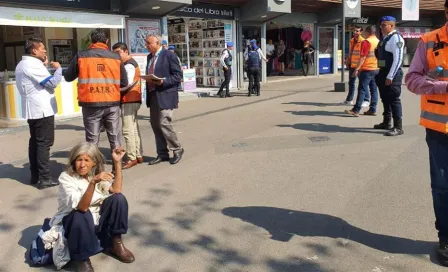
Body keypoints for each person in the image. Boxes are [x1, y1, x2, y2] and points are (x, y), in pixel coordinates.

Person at [405, 1, 448, 265]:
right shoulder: (429, 41)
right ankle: (446, 237)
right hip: (439, 130)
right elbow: (412, 80)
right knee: (443, 187)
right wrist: (443, 85)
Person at [48, 142, 134, 271]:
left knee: (118, 199)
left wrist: (117, 162)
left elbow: (116, 189)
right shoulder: (66, 178)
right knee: (81, 214)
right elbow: (82, 207)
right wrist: (93, 183)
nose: (82, 164)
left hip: (94, 220)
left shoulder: (94, 174)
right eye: (79, 160)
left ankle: (116, 243)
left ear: (93, 162)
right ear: (73, 161)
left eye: (86, 160)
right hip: (75, 224)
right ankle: (81, 259)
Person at [64, 28, 128, 154]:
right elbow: (124, 82)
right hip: (112, 103)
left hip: (91, 103)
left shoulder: (81, 55)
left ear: (91, 41)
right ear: (107, 41)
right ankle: (117, 169)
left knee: (92, 140)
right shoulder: (116, 57)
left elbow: (68, 77)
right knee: (115, 138)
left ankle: (93, 171)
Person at [15, 38, 62, 189]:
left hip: (34, 109)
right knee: (44, 143)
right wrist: (58, 69)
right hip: (41, 110)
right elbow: (52, 83)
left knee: (35, 142)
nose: (45, 51)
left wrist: (45, 66)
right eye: (43, 49)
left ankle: (35, 175)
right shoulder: (32, 65)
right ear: (34, 51)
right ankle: (45, 178)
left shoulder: (24, 64)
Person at [145, 34, 184, 165]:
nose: (147, 46)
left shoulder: (169, 55)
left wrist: (164, 81)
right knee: (156, 125)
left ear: (157, 43)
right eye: (146, 43)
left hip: (166, 94)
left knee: (164, 123)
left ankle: (177, 149)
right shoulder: (149, 57)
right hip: (153, 95)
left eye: (149, 43)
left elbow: (178, 75)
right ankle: (162, 154)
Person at [112, 42, 144, 170]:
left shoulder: (129, 64)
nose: (117, 55)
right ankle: (138, 154)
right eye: (114, 52)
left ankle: (131, 157)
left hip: (129, 99)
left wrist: (115, 89)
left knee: (128, 129)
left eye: (119, 52)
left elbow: (127, 83)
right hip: (132, 99)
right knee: (134, 128)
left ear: (125, 51)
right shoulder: (128, 63)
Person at [373, 16, 405, 136]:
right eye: (381, 25)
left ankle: (398, 126)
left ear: (392, 25)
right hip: (383, 72)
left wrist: (390, 76)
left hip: (392, 74)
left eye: (384, 25)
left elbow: (398, 59)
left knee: (394, 100)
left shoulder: (395, 38)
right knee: (385, 99)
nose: (381, 27)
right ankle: (387, 121)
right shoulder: (385, 38)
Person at [344, 25, 380, 117]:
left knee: (362, 89)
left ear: (367, 32)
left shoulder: (366, 42)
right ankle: (373, 109)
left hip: (367, 69)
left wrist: (357, 68)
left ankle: (356, 110)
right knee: (374, 89)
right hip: (375, 68)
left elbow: (363, 57)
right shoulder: (378, 41)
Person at [343, 26, 365, 105]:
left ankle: (366, 99)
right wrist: (347, 60)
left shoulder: (363, 41)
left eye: (357, 31)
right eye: (354, 31)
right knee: (351, 83)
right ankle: (349, 100)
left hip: (360, 66)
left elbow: (363, 55)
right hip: (352, 65)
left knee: (362, 83)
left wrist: (359, 67)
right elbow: (351, 52)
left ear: (361, 32)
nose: (355, 32)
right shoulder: (352, 40)